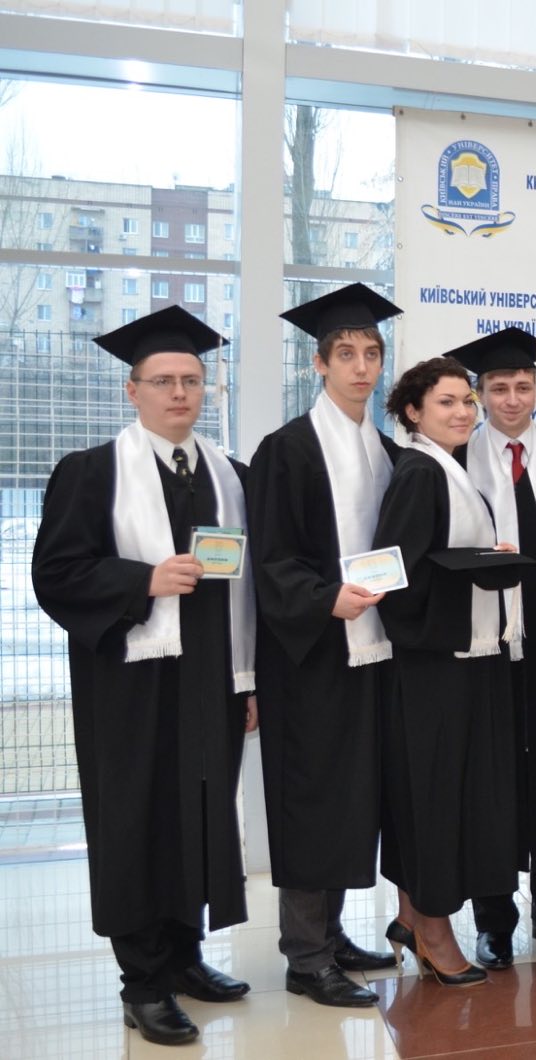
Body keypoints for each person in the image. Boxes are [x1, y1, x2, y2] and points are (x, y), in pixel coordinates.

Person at [32, 307, 255, 1046]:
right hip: (130, 682)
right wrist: (142, 581)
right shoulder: (92, 472)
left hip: (212, 679)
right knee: (137, 823)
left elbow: (251, 586)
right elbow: (56, 574)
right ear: (132, 391)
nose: (180, 393)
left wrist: (250, 680)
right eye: (163, 381)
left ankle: (186, 956)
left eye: (192, 379)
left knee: (200, 815)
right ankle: (144, 983)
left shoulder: (232, 476)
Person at [249, 285, 405, 1009]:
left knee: (352, 797)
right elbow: (271, 558)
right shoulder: (286, 450)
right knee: (312, 798)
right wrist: (322, 599)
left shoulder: (385, 449)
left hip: (371, 649)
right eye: (346, 354)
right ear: (319, 363)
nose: (361, 367)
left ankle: (333, 935)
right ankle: (305, 956)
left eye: (371, 353)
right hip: (310, 654)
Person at [372, 357, 525, 987]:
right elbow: (397, 576)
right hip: (434, 668)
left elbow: (441, 559)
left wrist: (486, 561)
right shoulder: (419, 473)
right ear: (413, 411)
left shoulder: (448, 469)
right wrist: (477, 570)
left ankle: (411, 917)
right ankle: (434, 932)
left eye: (467, 401)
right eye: (446, 402)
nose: (463, 412)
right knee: (433, 804)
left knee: (447, 799)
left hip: (466, 660)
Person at [452, 327, 536, 966]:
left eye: (522, 387)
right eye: (498, 388)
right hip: (489, 641)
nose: (511, 399)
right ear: (479, 394)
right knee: (493, 781)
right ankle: (494, 920)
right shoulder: (457, 459)